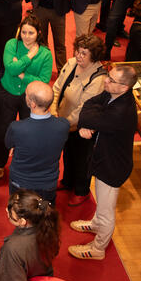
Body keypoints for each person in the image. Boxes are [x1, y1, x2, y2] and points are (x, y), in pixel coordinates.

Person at [68, 66, 138, 260]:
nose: (106, 81)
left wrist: (88, 123)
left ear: (124, 87)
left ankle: (98, 249)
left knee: (107, 210)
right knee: (101, 200)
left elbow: (88, 115)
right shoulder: (112, 93)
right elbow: (90, 104)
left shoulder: (121, 111)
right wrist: (88, 123)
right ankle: (96, 223)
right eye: (108, 76)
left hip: (112, 166)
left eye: (111, 80)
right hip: (103, 158)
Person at [0, 15, 53, 179]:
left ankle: (25, 162)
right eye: (23, 32)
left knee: (29, 131)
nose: (26, 36)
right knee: (2, 128)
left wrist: (23, 75)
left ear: (38, 33)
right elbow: (11, 70)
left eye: (31, 33)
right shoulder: (12, 44)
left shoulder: (46, 54)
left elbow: (44, 80)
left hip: (31, 97)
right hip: (8, 92)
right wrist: (29, 57)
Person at [52, 35, 106, 206]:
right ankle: (68, 181)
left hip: (82, 127)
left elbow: (83, 110)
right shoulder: (71, 63)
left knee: (82, 158)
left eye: (84, 53)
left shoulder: (98, 79)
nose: (78, 56)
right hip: (63, 121)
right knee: (68, 153)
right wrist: (53, 111)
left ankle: (81, 191)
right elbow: (57, 87)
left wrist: (63, 124)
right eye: (78, 51)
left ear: (94, 56)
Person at [5, 81, 69, 204]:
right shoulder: (63, 125)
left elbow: (8, 144)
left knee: (19, 213)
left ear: (32, 104)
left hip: (21, 183)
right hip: (48, 184)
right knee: (45, 213)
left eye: (26, 94)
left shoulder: (17, 128)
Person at [0, 190, 60, 281]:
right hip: (42, 272)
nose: (6, 210)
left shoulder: (12, 248)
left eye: (10, 212)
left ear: (22, 221)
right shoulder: (48, 226)